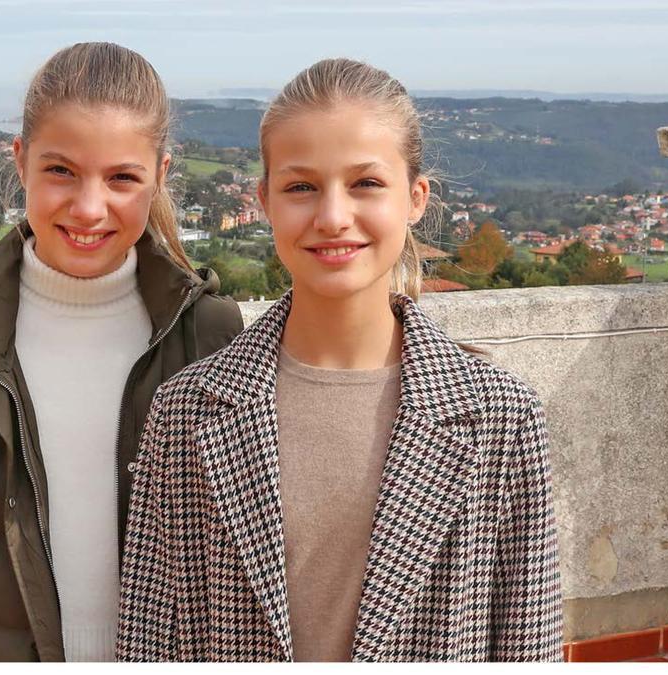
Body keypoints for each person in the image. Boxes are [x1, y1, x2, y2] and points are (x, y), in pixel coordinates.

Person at [116, 58, 562, 662]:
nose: (332, 217)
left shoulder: (501, 418)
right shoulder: (188, 413)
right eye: (301, 186)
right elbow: (149, 641)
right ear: (265, 200)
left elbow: (526, 645)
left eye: (366, 184)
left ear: (416, 197)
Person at [0, 42, 243, 662]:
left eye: (122, 177)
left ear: (162, 176)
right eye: (61, 171)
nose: (89, 208)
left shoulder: (208, 337)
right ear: (20, 162)